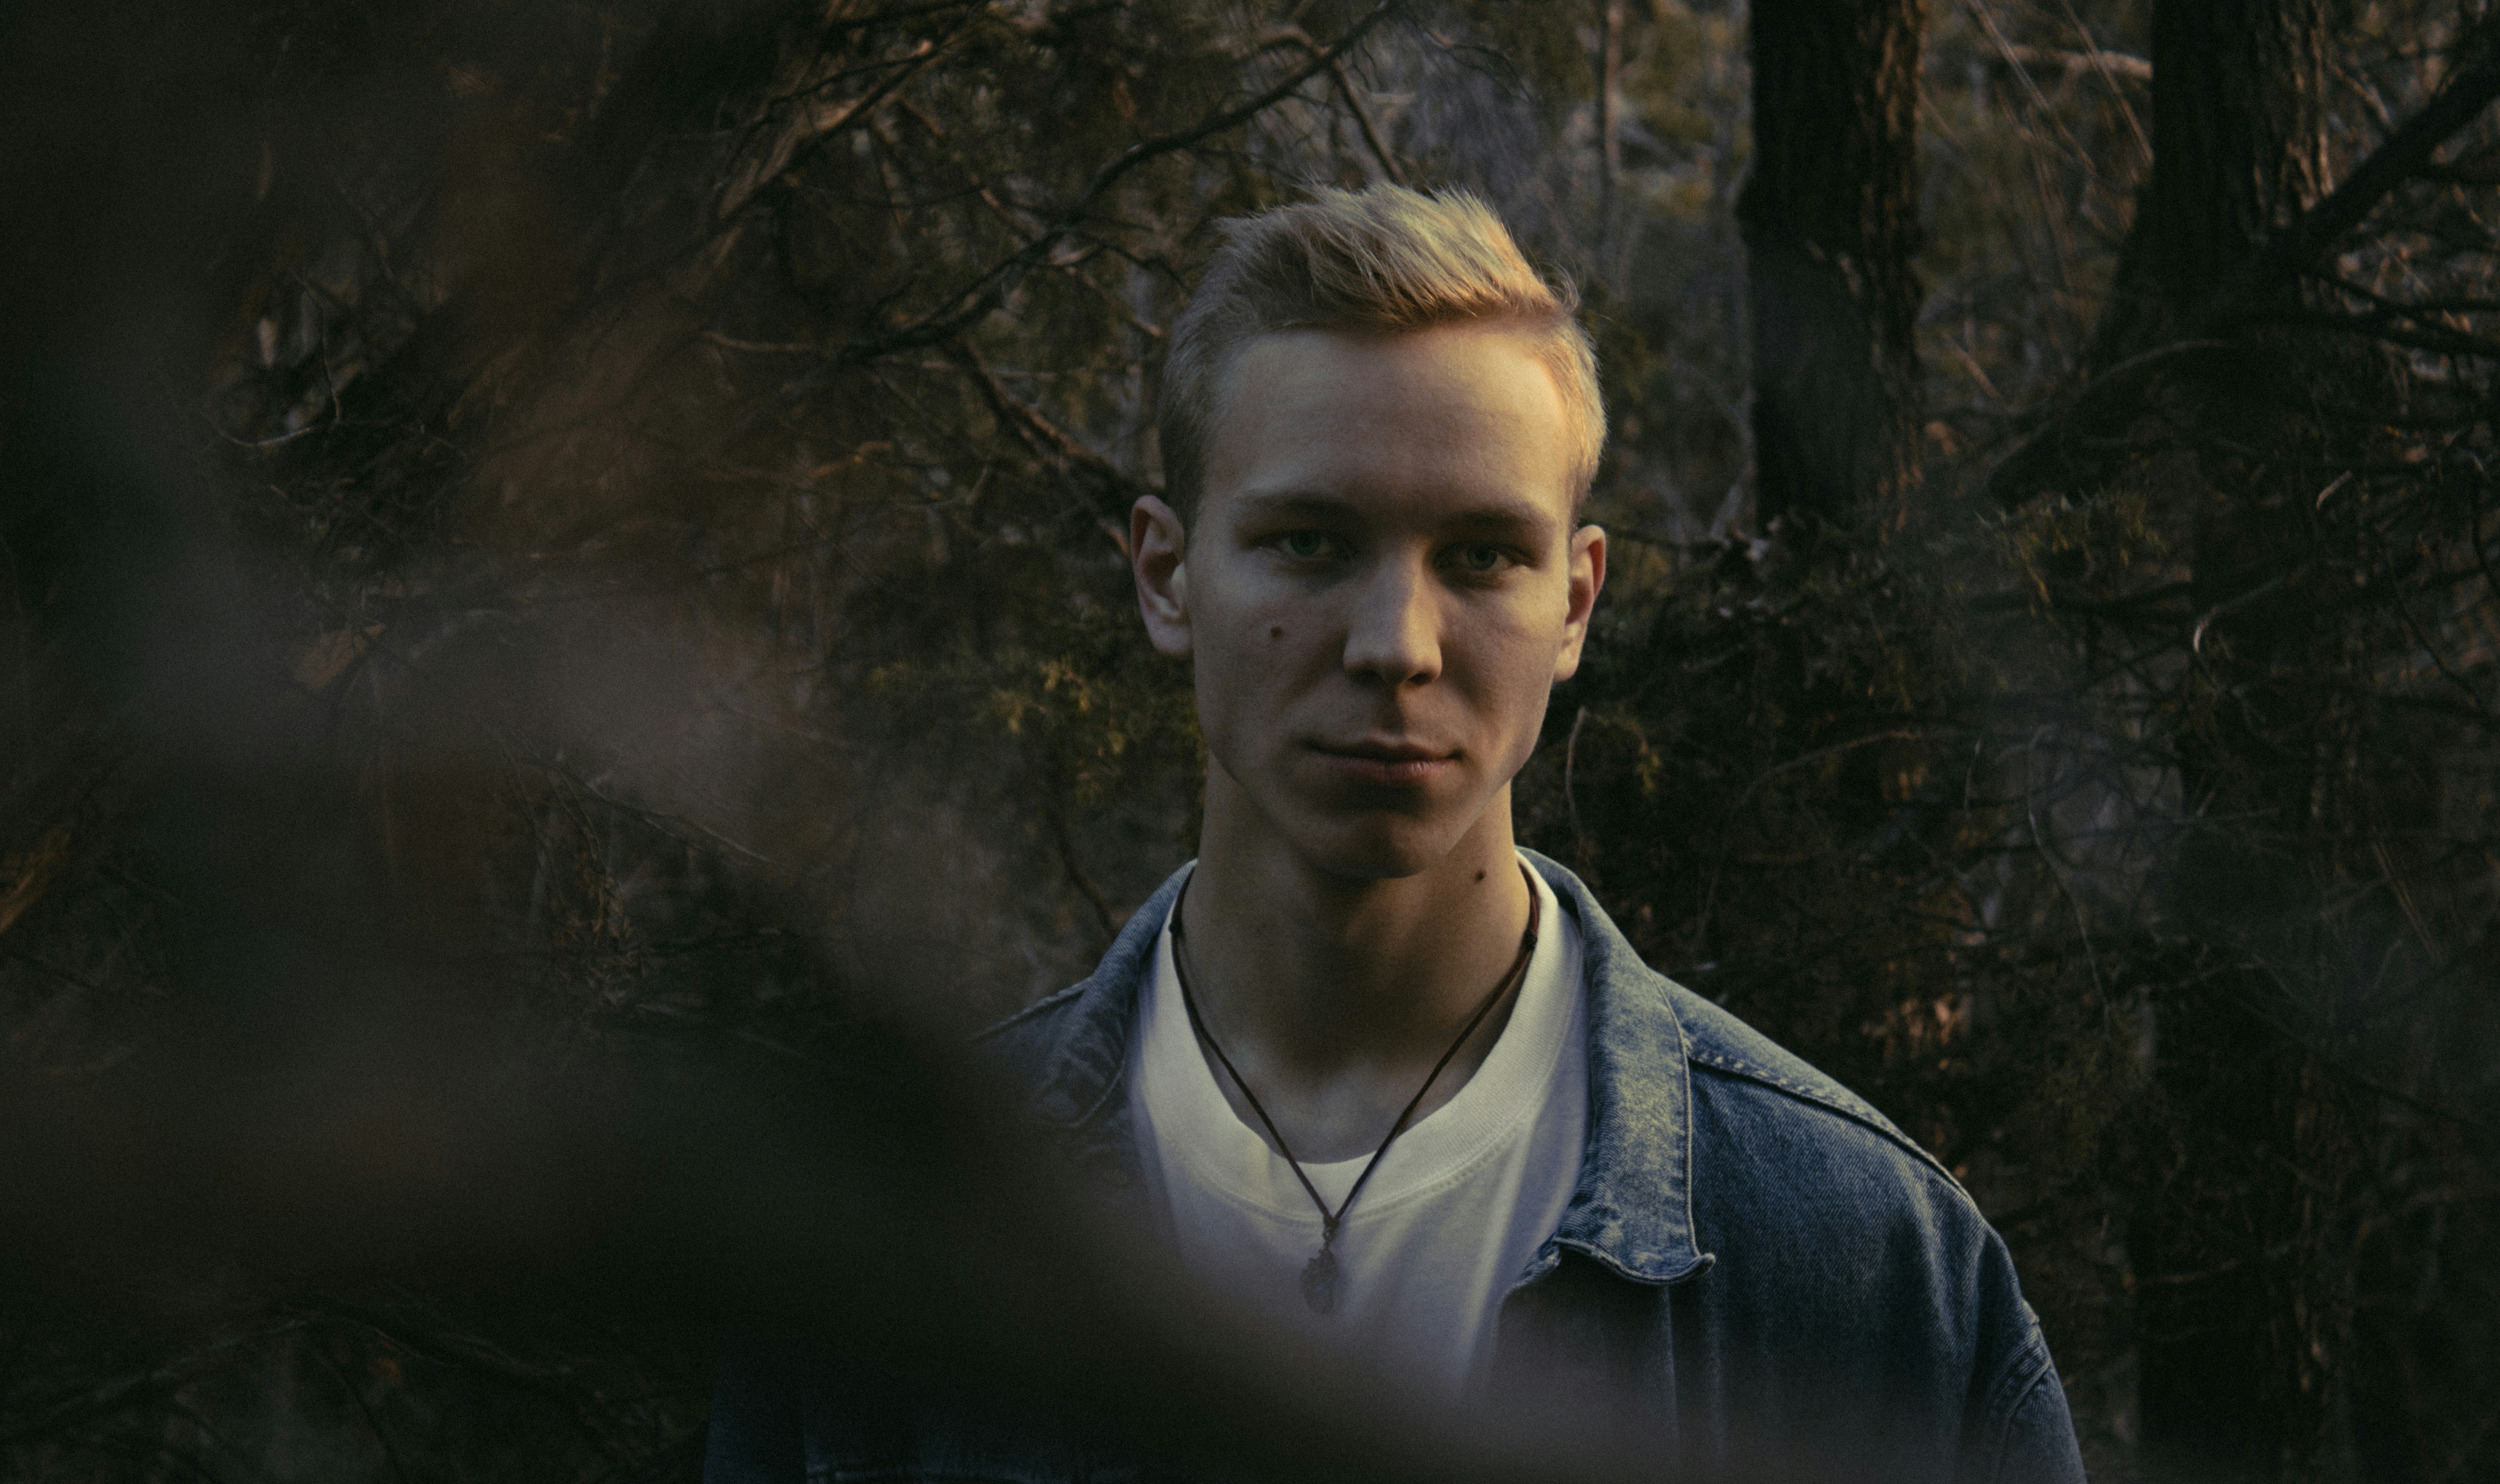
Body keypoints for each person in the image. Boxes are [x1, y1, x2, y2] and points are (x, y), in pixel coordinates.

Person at [706, 185, 2085, 1483]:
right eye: (1309, 541)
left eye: (1484, 554)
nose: (1395, 644)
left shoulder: (1865, 1267)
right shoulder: (889, 1246)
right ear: (1164, 573)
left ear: (1577, 603)